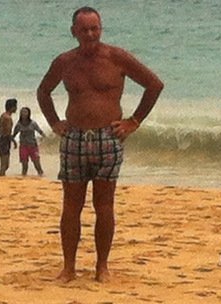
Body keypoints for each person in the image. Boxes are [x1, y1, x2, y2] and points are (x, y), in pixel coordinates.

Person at [37, 6, 163, 282]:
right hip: (75, 138)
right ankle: (69, 267)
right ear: (74, 32)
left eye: (95, 28)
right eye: (84, 29)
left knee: (104, 205)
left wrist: (134, 121)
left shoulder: (116, 57)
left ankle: (101, 266)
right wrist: (55, 122)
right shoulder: (65, 62)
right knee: (71, 205)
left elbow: (154, 84)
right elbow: (44, 91)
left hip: (109, 137)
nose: (91, 34)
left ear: (101, 28)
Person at [12, 107, 46, 176]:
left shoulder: (33, 123)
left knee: (37, 165)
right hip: (23, 146)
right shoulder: (18, 125)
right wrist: (13, 142)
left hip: (33, 146)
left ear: (29, 114)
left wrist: (44, 140)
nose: (24, 114)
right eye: (22, 112)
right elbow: (13, 135)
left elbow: (41, 132)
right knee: (24, 166)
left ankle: (42, 177)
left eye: (25, 112)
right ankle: (24, 180)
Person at [0, 98, 18, 176]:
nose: (16, 108)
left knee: (4, 164)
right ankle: (1, 178)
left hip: (1, 140)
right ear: (12, 107)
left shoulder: (3, 115)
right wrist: (14, 141)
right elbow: (8, 133)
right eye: (15, 106)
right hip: (5, 141)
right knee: (5, 165)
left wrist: (2, 135)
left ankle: (1, 176)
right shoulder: (8, 118)